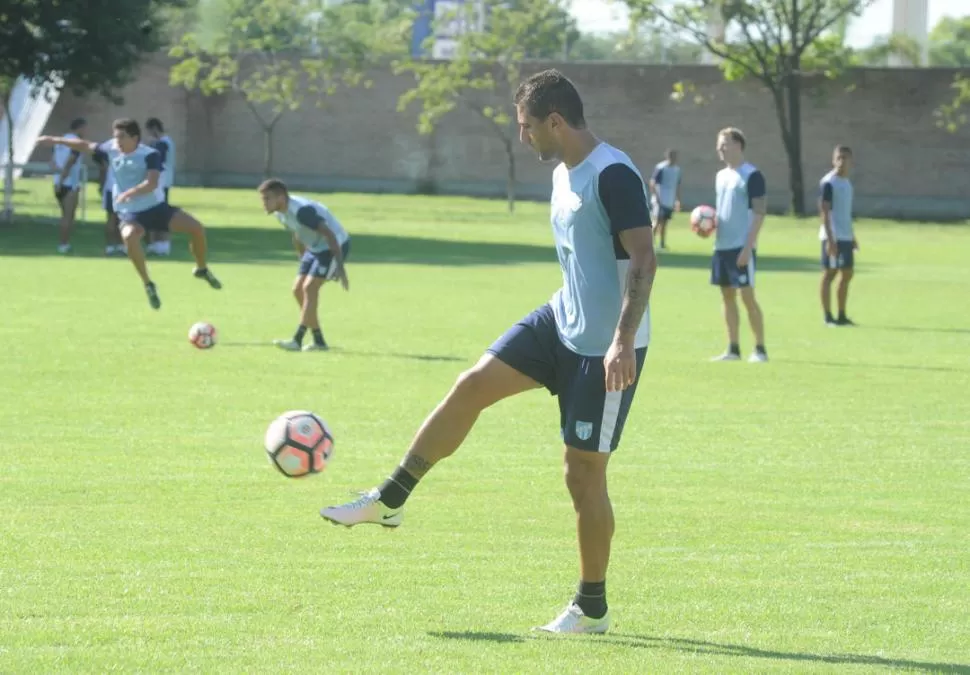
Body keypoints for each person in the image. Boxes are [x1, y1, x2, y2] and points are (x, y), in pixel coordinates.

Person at [320, 69, 657, 635]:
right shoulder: (562, 173)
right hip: (559, 322)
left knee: (582, 474)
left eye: (527, 127)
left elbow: (644, 261)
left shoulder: (613, 174)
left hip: (605, 347)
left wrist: (622, 340)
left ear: (555, 121)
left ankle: (591, 607)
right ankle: (391, 497)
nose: (522, 136)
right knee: (472, 384)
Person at [36, 118, 222, 309]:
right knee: (129, 236)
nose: (117, 141)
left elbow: (152, 183)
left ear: (135, 138)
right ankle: (148, 283)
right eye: (115, 137)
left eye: (121, 137)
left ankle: (201, 269)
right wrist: (55, 139)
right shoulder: (111, 149)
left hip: (156, 208)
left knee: (197, 229)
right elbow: (83, 144)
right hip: (131, 212)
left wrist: (129, 193)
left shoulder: (150, 154)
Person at [257, 179, 350, 352]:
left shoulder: (302, 211)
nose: (264, 203)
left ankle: (297, 339)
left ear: (281, 198)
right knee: (297, 289)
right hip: (314, 248)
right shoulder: (280, 213)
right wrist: (303, 259)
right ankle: (319, 341)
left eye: (267, 199)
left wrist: (340, 266)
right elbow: (297, 233)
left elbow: (330, 234)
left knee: (309, 288)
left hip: (334, 245)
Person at [710, 127, 768, 363]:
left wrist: (748, 247)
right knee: (726, 296)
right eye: (719, 144)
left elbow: (759, 213)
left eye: (725, 144)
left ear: (738, 145)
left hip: (741, 247)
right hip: (721, 247)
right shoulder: (720, 176)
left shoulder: (752, 175)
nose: (720, 149)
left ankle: (760, 349)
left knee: (747, 296)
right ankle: (733, 348)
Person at [819, 145, 857, 326]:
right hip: (832, 237)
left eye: (845, 158)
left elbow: (845, 212)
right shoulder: (829, 182)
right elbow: (825, 212)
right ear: (833, 160)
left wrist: (852, 236)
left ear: (851, 162)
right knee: (829, 274)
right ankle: (828, 316)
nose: (842, 162)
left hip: (846, 236)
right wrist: (830, 239)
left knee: (847, 273)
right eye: (838, 158)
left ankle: (842, 315)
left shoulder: (847, 183)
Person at [50, 117, 87, 254]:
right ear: (80, 127)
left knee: (64, 215)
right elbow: (71, 162)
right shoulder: (76, 143)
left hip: (57, 182)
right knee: (68, 216)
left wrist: (57, 178)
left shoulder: (59, 142)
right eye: (85, 128)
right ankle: (63, 244)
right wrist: (62, 180)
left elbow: (52, 163)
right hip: (69, 184)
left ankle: (64, 243)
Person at [145, 118, 174, 257]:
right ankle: (158, 244)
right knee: (157, 213)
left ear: (154, 128)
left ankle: (162, 245)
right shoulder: (168, 142)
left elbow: (157, 162)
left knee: (160, 213)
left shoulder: (162, 144)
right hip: (163, 182)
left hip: (161, 183)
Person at [648, 149, 681, 250]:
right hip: (659, 200)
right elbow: (652, 183)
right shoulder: (661, 167)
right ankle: (650, 244)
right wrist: (656, 197)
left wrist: (677, 200)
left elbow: (677, 185)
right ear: (667, 157)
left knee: (665, 223)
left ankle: (662, 244)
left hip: (669, 200)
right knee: (657, 222)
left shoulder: (677, 170)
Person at [94, 151, 124, 256]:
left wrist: (102, 185)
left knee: (111, 218)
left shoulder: (110, 151)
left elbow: (103, 169)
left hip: (111, 188)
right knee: (120, 219)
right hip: (122, 189)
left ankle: (111, 246)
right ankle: (120, 246)